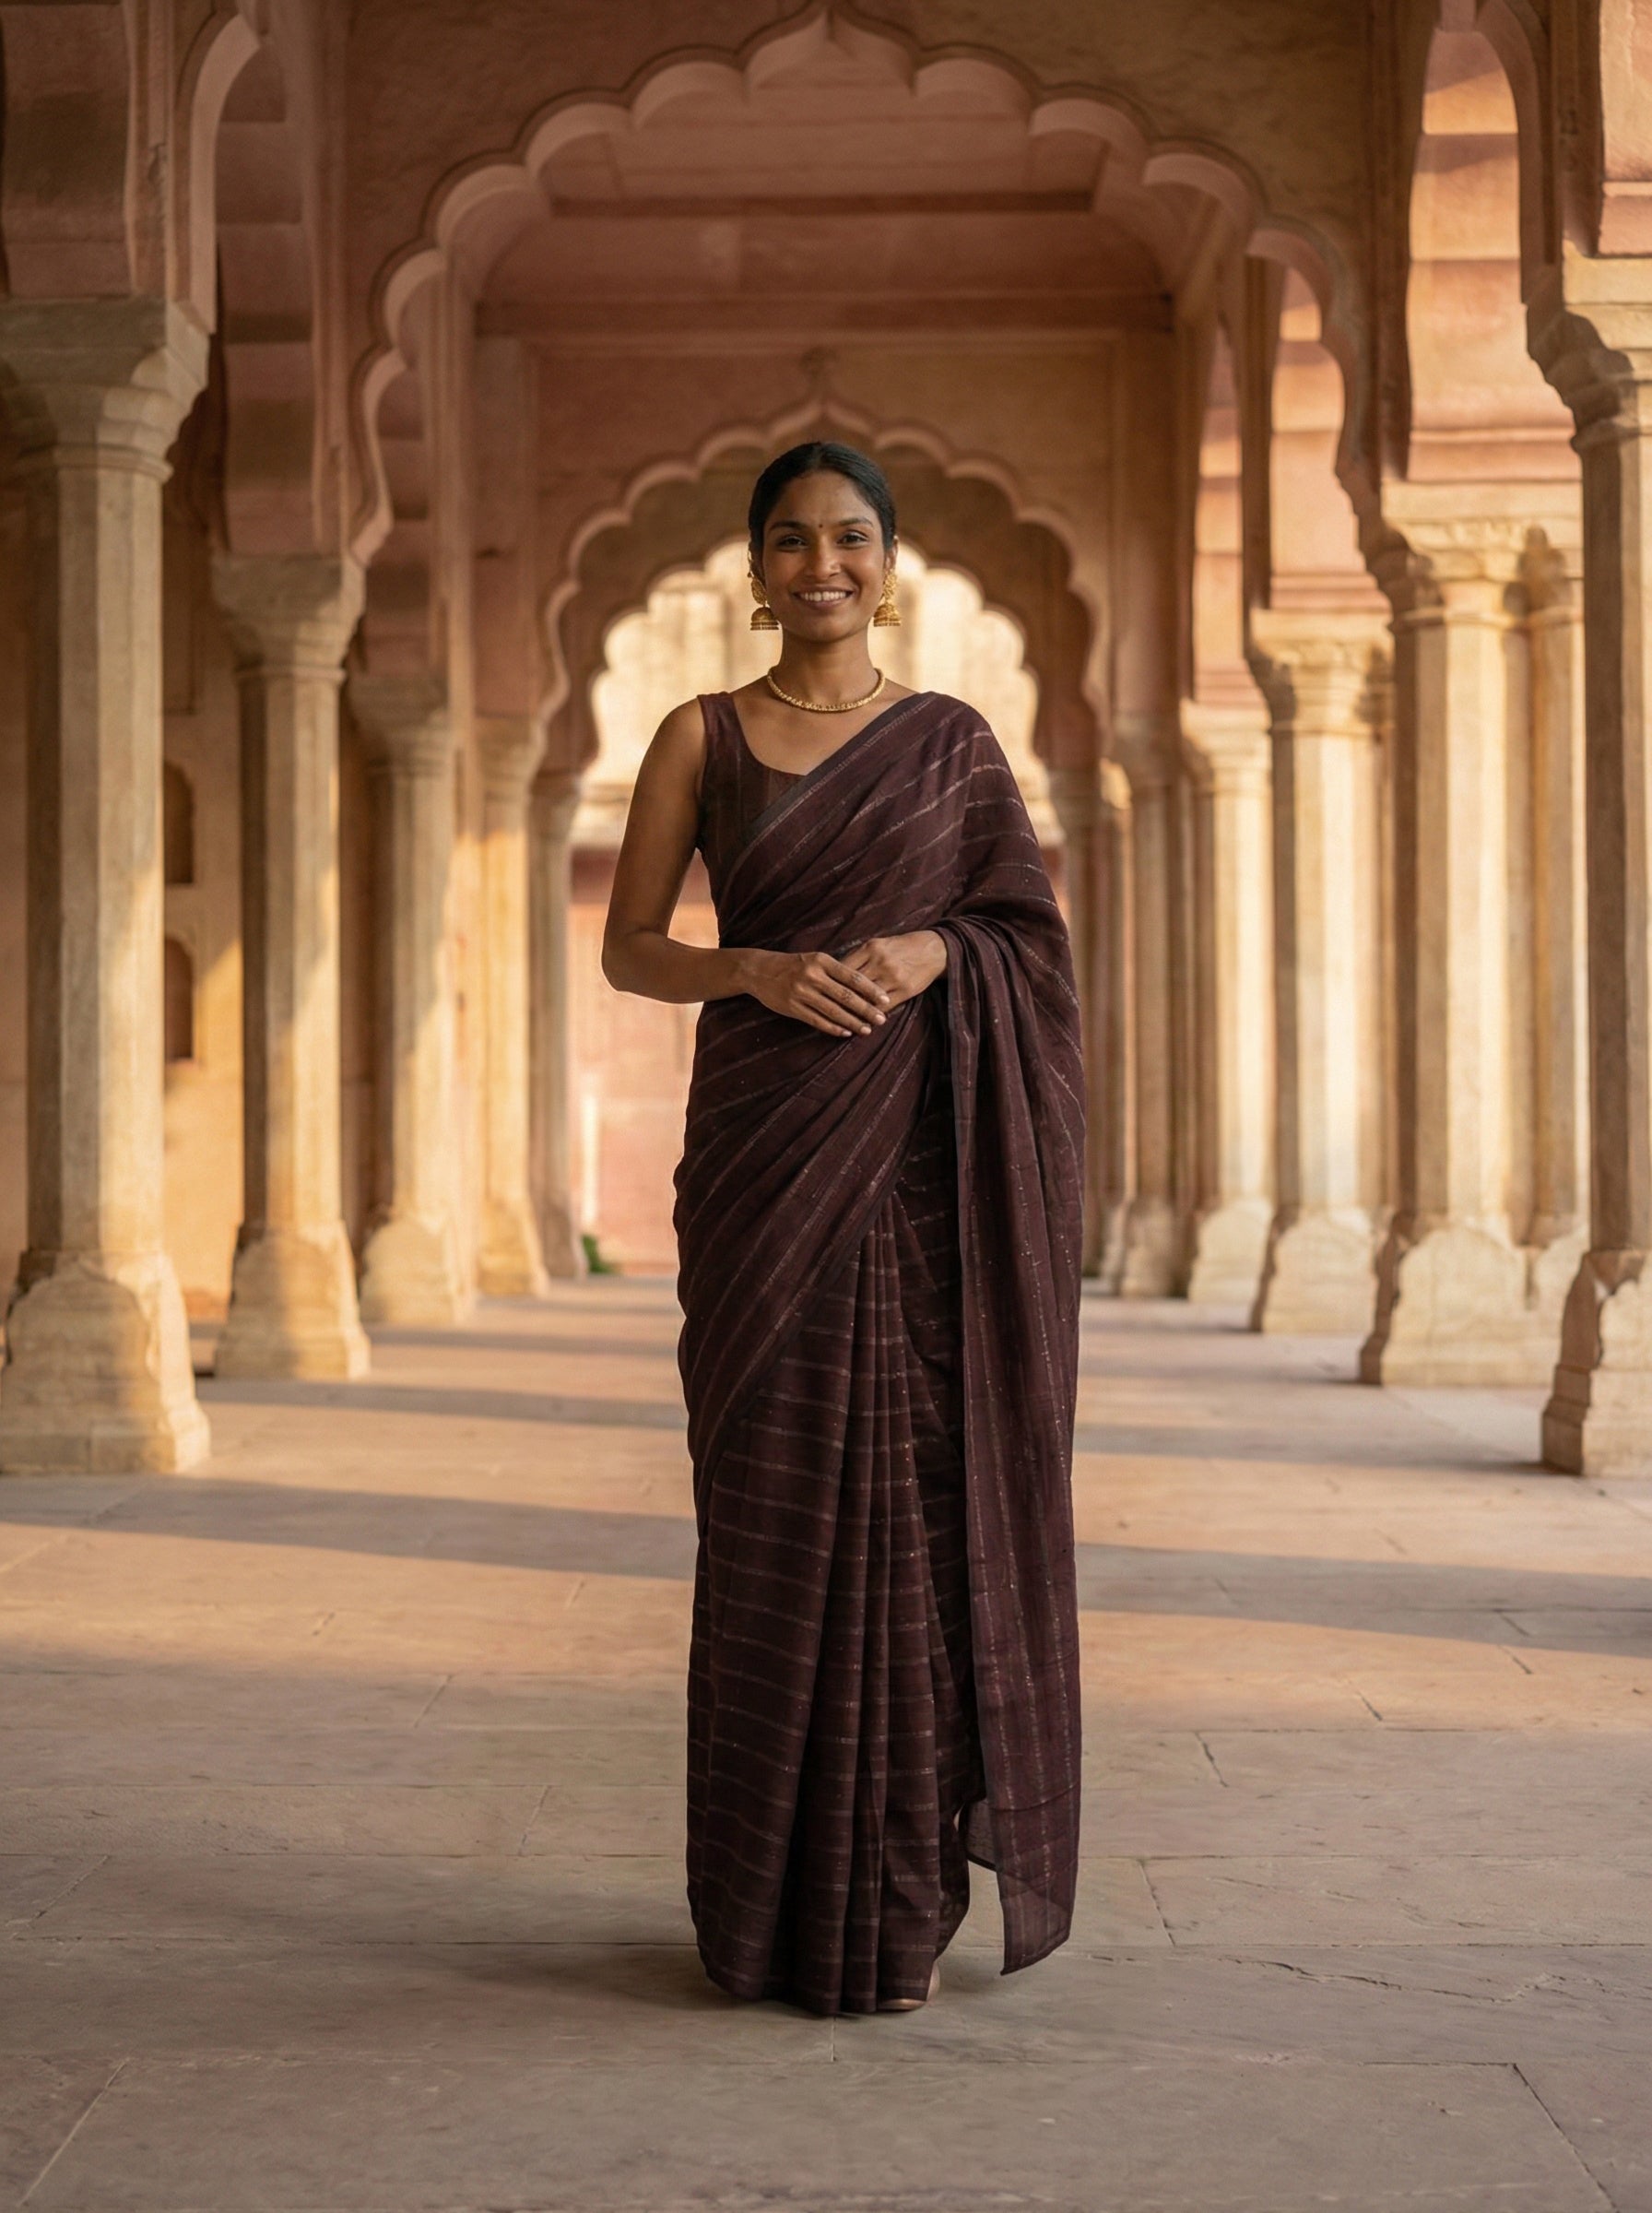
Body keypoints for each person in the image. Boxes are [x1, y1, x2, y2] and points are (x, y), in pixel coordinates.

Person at [603, 440, 1084, 2018]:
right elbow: (631, 952)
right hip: (762, 1162)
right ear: (757, 564)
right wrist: (745, 971)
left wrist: (935, 952)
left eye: (852, 539)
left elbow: (1023, 935)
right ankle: (757, 1908)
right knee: (768, 1520)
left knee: (918, 1519)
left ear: (895, 561)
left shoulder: (950, 745)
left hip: (921, 1180)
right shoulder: (701, 736)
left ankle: (890, 1906)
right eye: (795, 540)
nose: (824, 565)